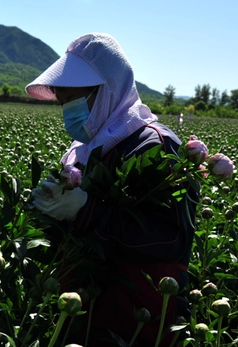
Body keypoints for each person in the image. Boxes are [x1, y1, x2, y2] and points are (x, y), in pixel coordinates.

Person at [26, 33, 198, 346]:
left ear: (106, 89)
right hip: (85, 307)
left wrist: (84, 210)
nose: (67, 111)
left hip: (136, 314)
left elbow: (169, 237)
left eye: (72, 100)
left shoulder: (155, 147)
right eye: (62, 102)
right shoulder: (86, 149)